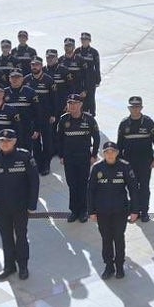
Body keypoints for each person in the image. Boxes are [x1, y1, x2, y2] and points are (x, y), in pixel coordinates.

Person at [0, 128, 39, 281]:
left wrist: (32, 205)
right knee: (6, 237)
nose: (5, 144)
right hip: (1, 206)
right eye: (1, 141)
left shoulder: (24, 156)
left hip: (20, 205)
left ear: (14, 142)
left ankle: (23, 266)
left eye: (8, 141)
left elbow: (34, 182)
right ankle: (9, 266)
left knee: (21, 236)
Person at [87, 140, 138, 279]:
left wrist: (135, 210)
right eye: (107, 152)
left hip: (120, 211)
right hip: (102, 211)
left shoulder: (125, 167)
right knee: (106, 239)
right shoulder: (97, 168)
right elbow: (90, 191)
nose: (110, 155)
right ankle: (109, 266)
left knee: (119, 238)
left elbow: (133, 189)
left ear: (117, 153)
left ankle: (120, 266)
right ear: (103, 154)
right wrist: (91, 212)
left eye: (112, 152)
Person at [116, 96, 154, 223]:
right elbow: (119, 144)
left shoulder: (148, 122)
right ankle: (134, 210)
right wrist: (119, 161)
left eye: (137, 107)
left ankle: (144, 212)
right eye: (132, 107)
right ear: (129, 108)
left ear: (141, 108)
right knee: (132, 187)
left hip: (145, 161)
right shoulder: (124, 124)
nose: (135, 109)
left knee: (144, 187)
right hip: (129, 162)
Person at [55, 93, 99, 222]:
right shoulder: (64, 119)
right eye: (70, 104)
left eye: (75, 104)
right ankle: (74, 211)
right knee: (72, 184)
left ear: (81, 105)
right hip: (69, 158)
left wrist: (94, 154)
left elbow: (96, 138)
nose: (72, 106)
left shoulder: (89, 119)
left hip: (84, 157)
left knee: (83, 184)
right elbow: (59, 139)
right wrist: (61, 155)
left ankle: (84, 210)